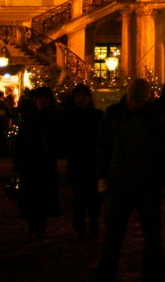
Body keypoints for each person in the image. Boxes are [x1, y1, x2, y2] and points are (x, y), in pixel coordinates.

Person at [96, 79, 165, 281]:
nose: (135, 105)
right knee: (113, 233)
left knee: (152, 232)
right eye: (133, 100)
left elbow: (162, 151)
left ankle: (154, 270)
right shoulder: (113, 113)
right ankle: (106, 271)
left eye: (139, 101)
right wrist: (102, 176)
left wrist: (159, 181)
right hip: (119, 181)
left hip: (146, 183)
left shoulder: (153, 116)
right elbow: (103, 147)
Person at [16, 87, 62, 238]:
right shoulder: (29, 116)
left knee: (43, 194)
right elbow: (21, 139)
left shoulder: (54, 116)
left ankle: (40, 225)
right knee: (30, 193)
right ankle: (31, 221)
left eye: (45, 99)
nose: (43, 101)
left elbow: (59, 138)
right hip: (30, 161)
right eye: (40, 98)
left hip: (46, 161)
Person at [62, 84, 103, 241]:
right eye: (78, 96)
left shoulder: (97, 115)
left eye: (84, 96)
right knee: (78, 199)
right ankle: (79, 228)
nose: (81, 99)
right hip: (77, 162)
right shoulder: (69, 117)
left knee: (94, 198)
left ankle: (93, 223)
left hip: (93, 162)